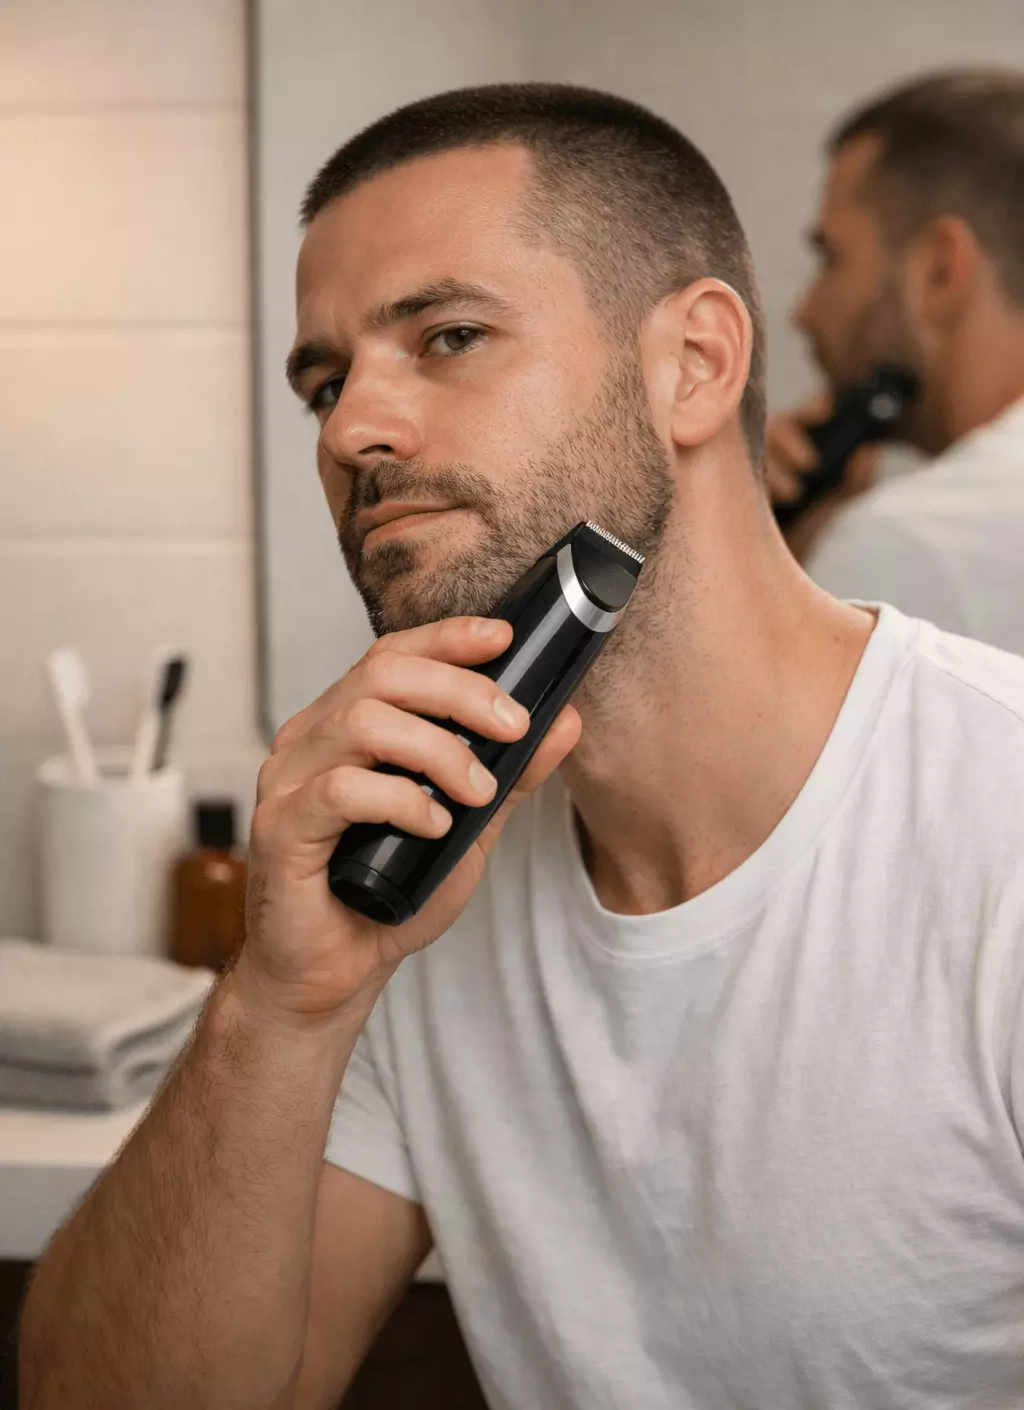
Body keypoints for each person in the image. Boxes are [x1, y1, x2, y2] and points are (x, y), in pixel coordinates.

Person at [19, 85, 1024, 1410]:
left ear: (697, 365)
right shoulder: (418, 877)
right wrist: (279, 1002)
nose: (349, 431)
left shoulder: (994, 824)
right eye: (324, 382)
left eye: (446, 335)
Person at [767, 69, 1024, 649]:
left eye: (832, 258)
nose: (805, 313)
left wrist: (775, 557)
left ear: (939, 272)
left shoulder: (913, 544)